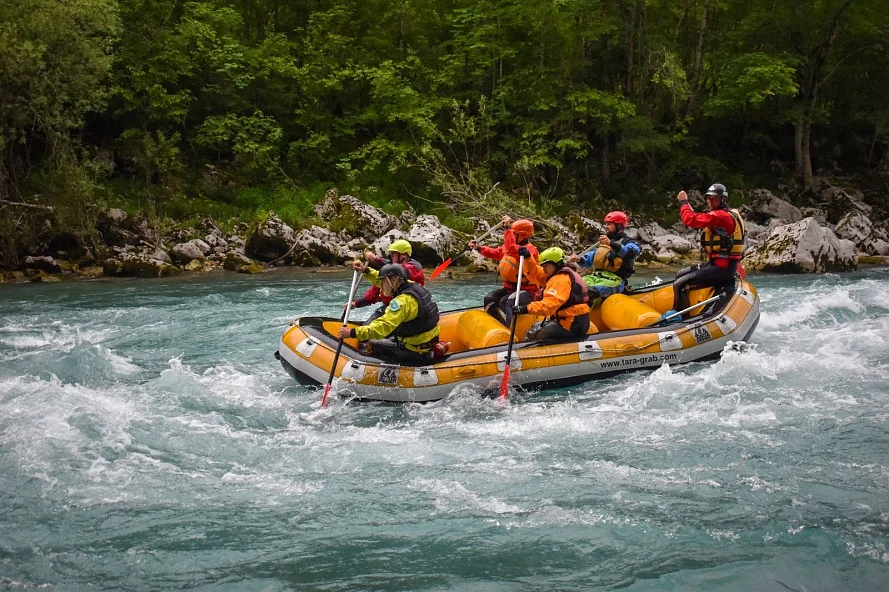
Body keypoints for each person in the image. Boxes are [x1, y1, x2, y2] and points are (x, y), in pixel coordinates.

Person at [338, 262, 446, 363]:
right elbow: (381, 279)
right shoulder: (413, 286)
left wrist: (351, 333)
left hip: (414, 351)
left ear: (393, 280)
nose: (380, 285)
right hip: (427, 342)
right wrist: (366, 270)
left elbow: (382, 327)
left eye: (383, 282)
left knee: (372, 342)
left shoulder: (401, 302)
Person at [669, 183, 746, 319]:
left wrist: (683, 201)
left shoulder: (722, 216)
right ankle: (687, 308)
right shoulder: (726, 214)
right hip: (717, 264)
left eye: (714, 199)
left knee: (679, 285)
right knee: (680, 274)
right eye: (709, 199)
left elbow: (690, 219)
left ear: (723, 199)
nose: (711, 202)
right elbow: (700, 219)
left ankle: (683, 321)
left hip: (723, 268)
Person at [469, 215, 544, 323]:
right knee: (489, 298)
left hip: (528, 291)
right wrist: (479, 248)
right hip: (510, 288)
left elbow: (513, 250)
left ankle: (508, 329)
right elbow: (496, 253)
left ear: (522, 235)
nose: (512, 235)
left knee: (506, 302)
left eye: (514, 234)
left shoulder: (529, 251)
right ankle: (494, 326)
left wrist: (507, 229)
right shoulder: (509, 247)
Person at [511, 247, 591, 341]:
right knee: (534, 328)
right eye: (543, 266)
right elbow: (536, 274)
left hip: (572, 324)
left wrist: (525, 309)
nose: (544, 269)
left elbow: (549, 305)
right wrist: (528, 258)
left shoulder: (561, 279)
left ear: (556, 264)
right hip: (568, 320)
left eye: (546, 266)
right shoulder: (556, 273)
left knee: (537, 334)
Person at [569, 211, 640, 302]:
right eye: (606, 224)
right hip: (595, 277)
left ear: (619, 225)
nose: (606, 227)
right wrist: (579, 259)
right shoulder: (603, 242)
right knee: (572, 286)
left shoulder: (630, 242)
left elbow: (630, 253)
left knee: (590, 292)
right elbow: (587, 261)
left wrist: (611, 243)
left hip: (616, 281)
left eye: (609, 224)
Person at [349, 239, 425, 325]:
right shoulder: (389, 276)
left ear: (403, 255)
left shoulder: (414, 267)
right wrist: (356, 303)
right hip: (393, 308)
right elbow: (375, 292)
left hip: (409, 311)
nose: (391, 257)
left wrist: (375, 260)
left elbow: (399, 270)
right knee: (372, 320)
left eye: (393, 254)